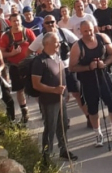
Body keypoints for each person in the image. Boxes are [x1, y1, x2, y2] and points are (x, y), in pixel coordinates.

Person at [29, 15, 91, 128]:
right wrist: (38, 62)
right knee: (59, 95)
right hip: (52, 71)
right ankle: (62, 119)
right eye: (47, 23)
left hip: (67, 67)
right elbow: (29, 51)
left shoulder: (63, 32)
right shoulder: (41, 37)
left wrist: (73, 55)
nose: (50, 25)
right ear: (43, 25)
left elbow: (78, 43)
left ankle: (89, 117)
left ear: (56, 22)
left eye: (52, 22)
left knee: (78, 93)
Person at [69, 21, 112, 147]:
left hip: (103, 76)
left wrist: (105, 63)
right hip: (87, 80)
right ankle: (98, 133)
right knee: (92, 108)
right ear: (80, 32)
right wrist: (89, 67)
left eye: (90, 30)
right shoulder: (77, 46)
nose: (89, 33)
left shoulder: (102, 38)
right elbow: (72, 67)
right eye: (85, 31)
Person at [32, 32, 78, 160]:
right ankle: (46, 157)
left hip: (61, 97)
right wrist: (54, 90)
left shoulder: (57, 56)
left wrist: (65, 92)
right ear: (47, 44)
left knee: (63, 125)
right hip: (49, 100)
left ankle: (64, 150)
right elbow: (36, 84)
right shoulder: (40, 61)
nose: (59, 44)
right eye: (56, 42)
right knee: (50, 128)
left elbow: (62, 76)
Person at [0, 13, 36, 124]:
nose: (17, 23)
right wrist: (12, 53)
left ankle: (44, 110)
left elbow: (37, 46)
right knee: (20, 90)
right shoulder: (6, 36)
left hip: (29, 65)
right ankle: (24, 111)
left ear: (21, 20)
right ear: (10, 22)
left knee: (36, 87)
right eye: (14, 21)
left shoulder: (28, 32)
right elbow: (1, 53)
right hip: (15, 67)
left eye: (18, 20)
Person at [94, 0, 112, 76]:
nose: (103, 2)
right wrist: (100, 28)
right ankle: (107, 68)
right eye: (101, 1)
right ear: (100, 2)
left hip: (111, 33)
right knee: (104, 51)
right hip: (101, 34)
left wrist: (111, 26)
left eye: (104, 1)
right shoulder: (96, 12)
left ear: (107, 1)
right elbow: (94, 24)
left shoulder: (111, 10)